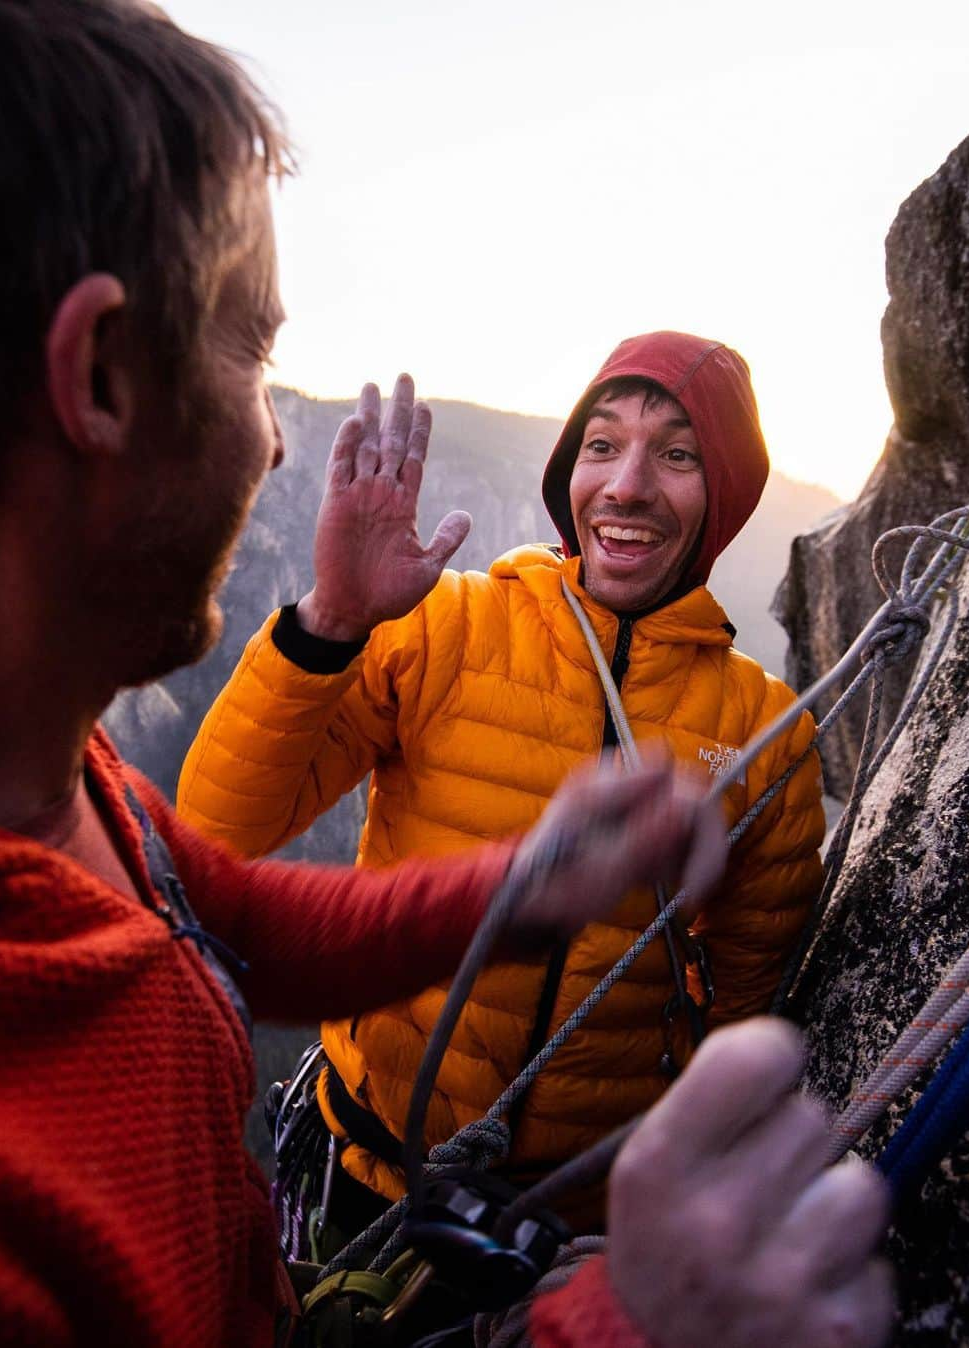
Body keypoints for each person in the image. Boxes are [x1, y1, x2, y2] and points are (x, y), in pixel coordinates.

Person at [0, 3, 891, 1345]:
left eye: (677, 456)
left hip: (565, 1185)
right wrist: (619, 1324)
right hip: (381, 1168)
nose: (277, 446)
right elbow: (231, 816)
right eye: (254, 347)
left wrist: (517, 888)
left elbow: (225, 913)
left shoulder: (55, 785)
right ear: (96, 371)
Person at [178, 348, 826, 1216]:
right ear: (568, 473)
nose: (627, 486)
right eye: (602, 445)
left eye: (678, 455)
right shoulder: (442, 626)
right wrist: (329, 622)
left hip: (570, 1218)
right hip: (367, 1174)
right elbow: (214, 838)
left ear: (727, 496)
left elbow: (742, 1012)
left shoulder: (765, 733)